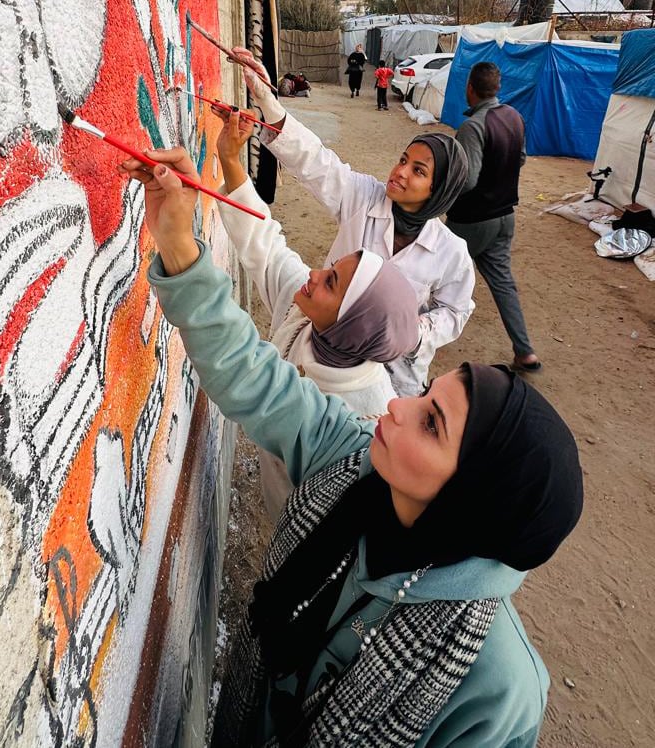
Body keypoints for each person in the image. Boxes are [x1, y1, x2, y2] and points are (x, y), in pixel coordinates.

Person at [119, 146, 583, 747]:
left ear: (475, 495)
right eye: (426, 398)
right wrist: (178, 244)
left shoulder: (496, 690)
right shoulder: (353, 457)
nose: (395, 406)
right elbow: (251, 375)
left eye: (431, 425)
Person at [213, 106, 423, 520]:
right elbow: (267, 247)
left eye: (331, 282)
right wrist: (230, 161)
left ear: (353, 324)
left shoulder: (368, 417)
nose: (313, 274)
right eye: (330, 269)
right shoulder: (307, 317)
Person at [230, 47, 475, 397]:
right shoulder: (364, 197)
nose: (400, 172)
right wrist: (267, 100)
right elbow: (315, 161)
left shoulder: (451, 253)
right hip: (331, 361)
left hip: (396, 379)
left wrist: (417, 332)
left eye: (418, 171)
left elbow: (456, 311)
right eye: (403, 160)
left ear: (439, 191)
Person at [446, 62, 542, 373]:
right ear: (497, 89)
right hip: (505, 217)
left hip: (473, 220)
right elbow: (522, 158)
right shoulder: (514, 117)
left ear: (469, 88)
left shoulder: (473, 127)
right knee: (503, 284)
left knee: (433, 271)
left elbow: (468, 179)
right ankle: (525, 352)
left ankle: (402, 337)